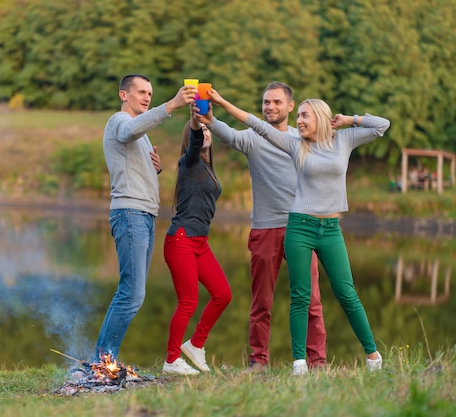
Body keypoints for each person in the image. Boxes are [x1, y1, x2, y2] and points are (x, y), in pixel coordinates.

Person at [206, 90, 389, 375]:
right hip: (299, 226)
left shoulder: (343, 140)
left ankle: (373, 357)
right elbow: (256, 125)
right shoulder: (294, 144)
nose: (300, 121)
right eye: (299, 116)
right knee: (300, 296)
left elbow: (381, 126)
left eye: (304, 115)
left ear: (320, 117)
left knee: (346, 293)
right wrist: (220, 104)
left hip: (330, 228)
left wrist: (349, 119)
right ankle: (298, 363)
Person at [196, 82, 326, 373]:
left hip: (301, 229)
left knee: (311, 301)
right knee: (261, 302)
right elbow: (227, 134)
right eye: (267, 102)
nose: (271, 107)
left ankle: (317, 361)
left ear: (290, 107)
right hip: (265, 229)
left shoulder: (302, 139)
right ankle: (258, 362)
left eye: (277, 102)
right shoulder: (253, 138)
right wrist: (211, 120)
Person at [94, 74, 196, 362]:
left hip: (144, 215)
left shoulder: (140, 131)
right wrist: (172, 104)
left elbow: (133, 157)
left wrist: (157, 169)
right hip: (130, 213)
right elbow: (129, 131)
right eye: (141, 92)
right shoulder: (119, 121)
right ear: (123, 95)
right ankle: (104, 360)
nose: (147, 96)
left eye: (150, 93)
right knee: (132, 293)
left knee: (133, 292)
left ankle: (104, 359)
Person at [162, 105, 232, 375]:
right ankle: (171, 360)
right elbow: (193, 143)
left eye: (207, 129)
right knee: (188, 301)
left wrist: (201, 123)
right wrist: (195, 120)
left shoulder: (207, 166)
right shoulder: (188, 162)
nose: (204, 134)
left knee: (223, 294)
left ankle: (195, 344)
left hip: (200, 241)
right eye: (199, 131)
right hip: (181, 239)